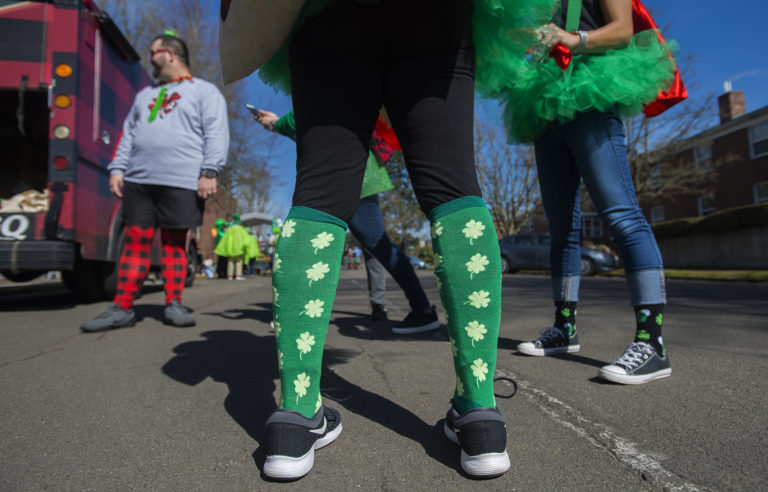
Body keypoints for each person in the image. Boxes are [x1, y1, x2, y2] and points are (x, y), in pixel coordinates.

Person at [222, 0, 517, 480]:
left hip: (329, 12)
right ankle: (480, 412)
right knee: (455, 189)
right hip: (435, 19)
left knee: (317, 195)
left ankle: (296, 417)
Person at [503, 0, 678, 384]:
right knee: (561, 226)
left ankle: (653, 344)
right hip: (545, 102)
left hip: (591, 92)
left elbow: (622, 30)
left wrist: (572, 37)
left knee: (621, 216)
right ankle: (564, 330)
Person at [80, 31, 229, 332]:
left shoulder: (204, 91)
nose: (150, 58)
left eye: (154, 52)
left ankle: (173, 303)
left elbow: (216, 131)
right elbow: (128, 135)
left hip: (182, 180)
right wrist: (117, 169)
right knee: (135, 243)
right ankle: (122, 307)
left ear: (171, 54)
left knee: (175, 244)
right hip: (139, 180)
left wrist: (210, 171)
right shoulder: (144, 96)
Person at [253, 108, 440, 333]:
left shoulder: (324, 77)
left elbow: (308, 115)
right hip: (362, 174)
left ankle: (297, 314)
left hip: (338, 173)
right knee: (377, 244)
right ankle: (421, 308)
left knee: (311, 237)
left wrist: (276, 123)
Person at [214, 212, 250, 280]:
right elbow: (246, 238)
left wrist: (223, 248)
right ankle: (238, 276)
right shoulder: (241, 229)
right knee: (238, 262)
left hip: (230, 249)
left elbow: (225, 239)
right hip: (239, 249)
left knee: (230, 262)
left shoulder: (229, 229)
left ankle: (230, 275)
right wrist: (246, 246)